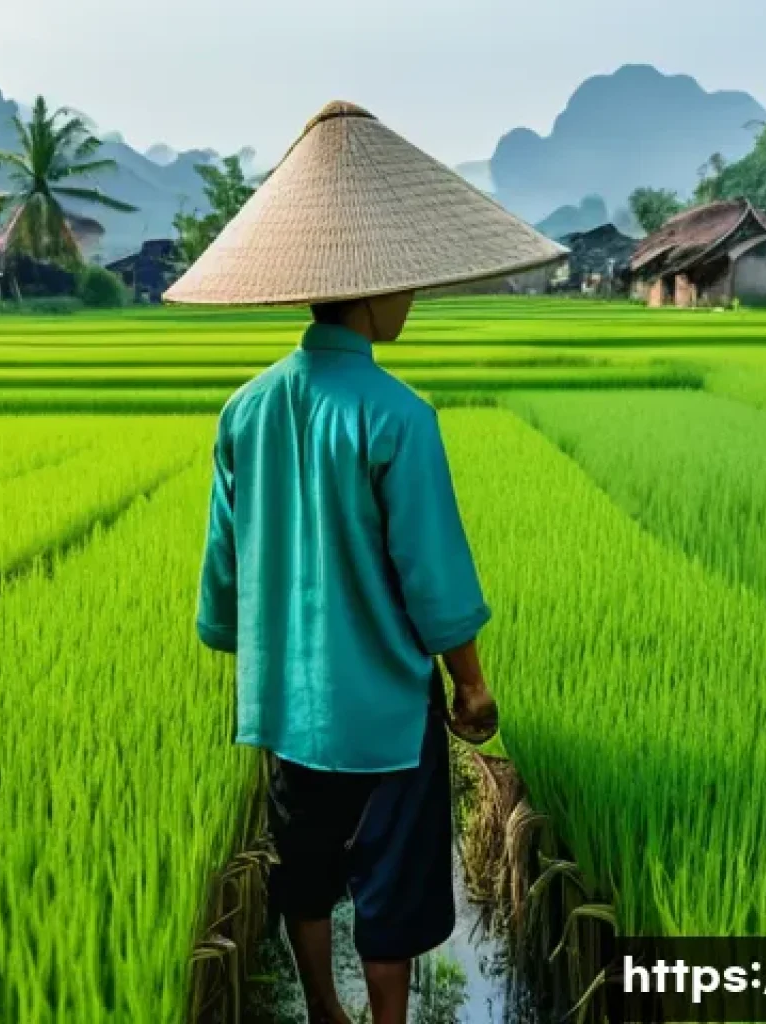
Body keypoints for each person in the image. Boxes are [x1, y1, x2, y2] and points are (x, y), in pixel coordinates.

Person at [166, 102, 565, 1024]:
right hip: (385, 710)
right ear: (377, 292)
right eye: (405, 287)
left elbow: (223, 572)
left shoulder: (246, 409)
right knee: (392, 878)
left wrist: (248, 645)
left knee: (304, 869)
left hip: (284, 704)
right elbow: (435, 578)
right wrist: (472, 689)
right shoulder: (397, 414)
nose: (411, 301)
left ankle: (323, 1011)